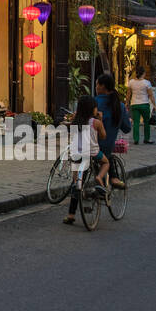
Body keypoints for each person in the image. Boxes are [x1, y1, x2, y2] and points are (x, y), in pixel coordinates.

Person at [63, 95, 108, 225]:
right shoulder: (96, 123)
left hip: (77, 155)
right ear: (93, 109)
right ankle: (99, 177)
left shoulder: (75, 121)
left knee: (76, 184)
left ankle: (71, 214)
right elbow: (103, 136)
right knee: (106, 162)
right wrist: (100, 119)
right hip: (93, 153)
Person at [93, 72, 131, 186]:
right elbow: (127, 128)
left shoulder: (93, 102)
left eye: (97, 85)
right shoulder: (120, 106)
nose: (96, 88)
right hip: (107, 146)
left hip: (91, 144)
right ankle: (113, 178)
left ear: (102, 86)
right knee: (107, 156)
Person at [126, 64, 156, 144]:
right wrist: (154, 104)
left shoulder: (131, 82)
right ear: (143, 73)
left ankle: (136, 139)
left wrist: (127, 103)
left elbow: (128, 94)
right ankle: (147, 139)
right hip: (144, 104)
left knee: (136, 122)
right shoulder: (147, 83)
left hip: (134, 104)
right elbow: (150, 95)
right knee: (146, 122)